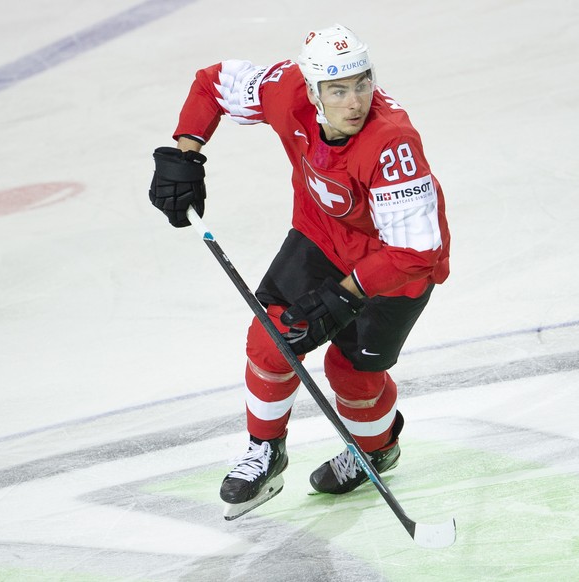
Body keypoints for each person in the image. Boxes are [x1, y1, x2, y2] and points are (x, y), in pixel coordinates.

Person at [148, 24, 450, 519]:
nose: (354, 101)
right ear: (312, 91)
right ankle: (266, 450)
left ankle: (376, 449)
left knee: (351, 376)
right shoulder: (285, 88)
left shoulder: (392, 143)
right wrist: (187, 152)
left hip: (395, 268)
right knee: (272, 339)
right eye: (337, 90)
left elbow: (416, 253)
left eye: (362, 83)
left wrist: (344, 297)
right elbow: (212, 82)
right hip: (321, 238)